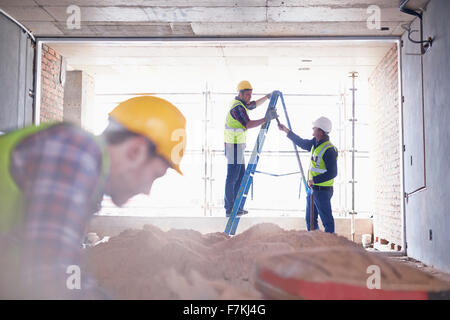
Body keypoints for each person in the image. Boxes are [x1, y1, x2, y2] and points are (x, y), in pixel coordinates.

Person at [0, 96, 186, 299]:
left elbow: (68, 275)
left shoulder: (84, 178)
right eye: (155, 175)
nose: (148, 190)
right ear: (135, 151)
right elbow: (50, 276)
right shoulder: (75, 151)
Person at [224, 80, 277, 217]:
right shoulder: (237, 108)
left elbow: (252, 105)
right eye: (247, 94)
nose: (250, 97)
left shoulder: (241, 104)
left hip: (238, 146)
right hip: (233, 146)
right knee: (232, 177)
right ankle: (229, 208)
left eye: (250, 94)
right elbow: (247, 124)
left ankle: (235, 207)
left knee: (240, 175)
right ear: (240, 94)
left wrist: (267, 97)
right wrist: (266, 119)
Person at [278, 116, 338, 233]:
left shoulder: (329, 149)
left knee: (327, 221)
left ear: (320, 131)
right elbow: (302, 143)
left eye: (314, 127)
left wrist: (315, 180)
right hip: (313, 190)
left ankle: (330, 248)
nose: (312, 128)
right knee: (310, 220)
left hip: (323, 191)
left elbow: (333, 173)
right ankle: (315, 245)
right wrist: (286, 130)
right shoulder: (316, 143)